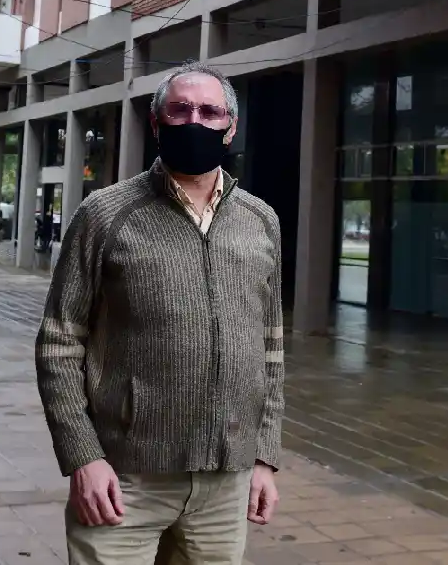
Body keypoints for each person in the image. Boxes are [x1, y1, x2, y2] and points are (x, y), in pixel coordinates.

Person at [36, 60, 284, 565]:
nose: (195, 120)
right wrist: (82, 456)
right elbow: (59, 342)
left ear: (230, 127)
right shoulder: (105, 213)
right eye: (180, 109)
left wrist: (264, 455)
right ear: (156, 123)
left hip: (225, 482)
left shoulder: (260, 219)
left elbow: (271, 345)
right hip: (125, 481)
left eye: (210, 111)